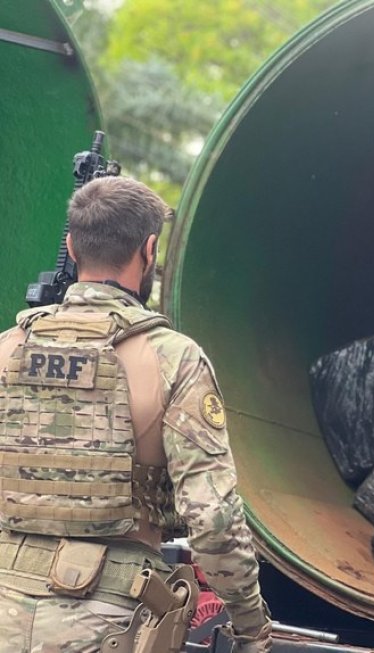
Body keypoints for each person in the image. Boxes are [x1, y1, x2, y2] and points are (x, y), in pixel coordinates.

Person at [0, 176, 271, 652]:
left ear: (71, 246)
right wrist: (251, 627)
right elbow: (213, 519)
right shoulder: (172, 358)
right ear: (149, 250)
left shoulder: (9, 348)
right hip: (108, 619)